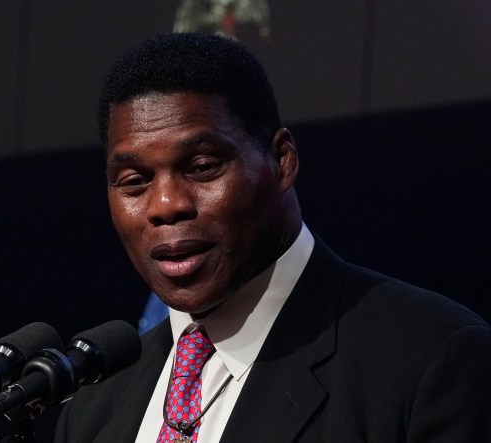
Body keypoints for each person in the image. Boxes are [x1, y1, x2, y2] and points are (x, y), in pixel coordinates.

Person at [54, 32, 491, 442]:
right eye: (134, 181)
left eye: (202, 167)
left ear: (282, 161)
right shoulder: (96, 402)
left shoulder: (432, 359)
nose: (165, 204)